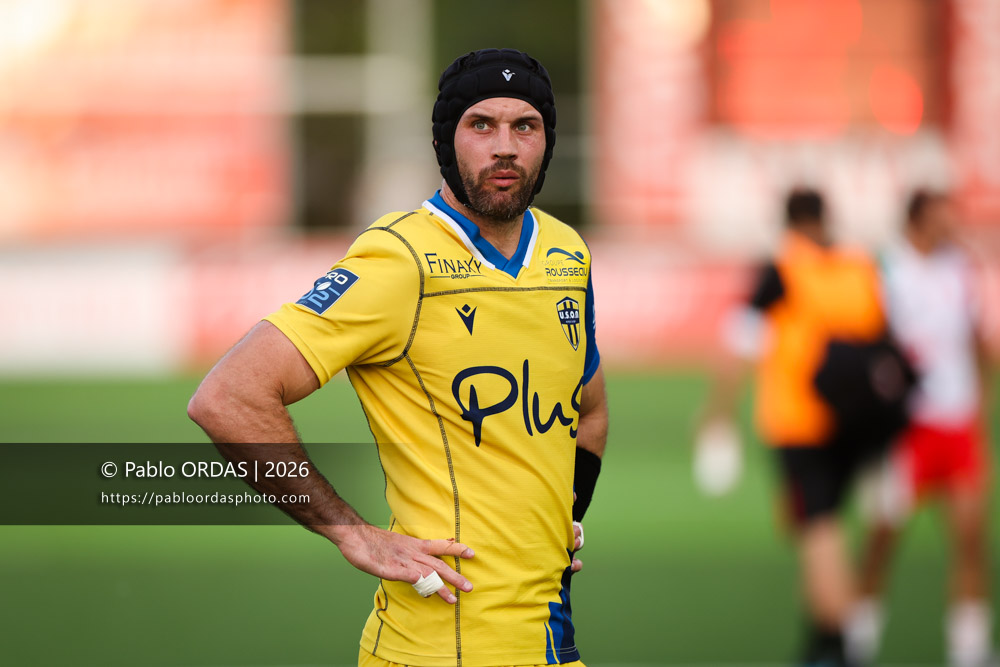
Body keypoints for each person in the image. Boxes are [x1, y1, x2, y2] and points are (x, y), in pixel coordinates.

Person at [188, 48, 608, 667]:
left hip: (553, 642)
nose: (506, 147)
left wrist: (560, 515)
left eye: (526, 126)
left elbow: (589, 412)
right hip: (440, 647)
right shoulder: (399, 259)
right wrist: (349, 530)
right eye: (481, 125)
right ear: (446, 139)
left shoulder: (567, 254)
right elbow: (228, 397)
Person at [698, 188, 911, 666]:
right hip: (857, 425)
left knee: (820, 529)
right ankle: (819, 640)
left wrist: (717, 419)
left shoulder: (783, 269)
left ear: (788, 222)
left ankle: (841, 642)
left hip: (798, 421)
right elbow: (887, 342)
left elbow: (739, 345)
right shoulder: (860, 266)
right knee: (829, 523)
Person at [852, 190, 994, 666]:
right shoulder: (887, 269)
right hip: (907, 429)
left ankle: (969, 651)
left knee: (971, 537)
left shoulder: (959, 269)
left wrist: (984, 396)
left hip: (957, 422)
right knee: (882, 541)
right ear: (917, 220)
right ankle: (857, 641)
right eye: (941, 218)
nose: (950, 226)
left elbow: (975, 338)